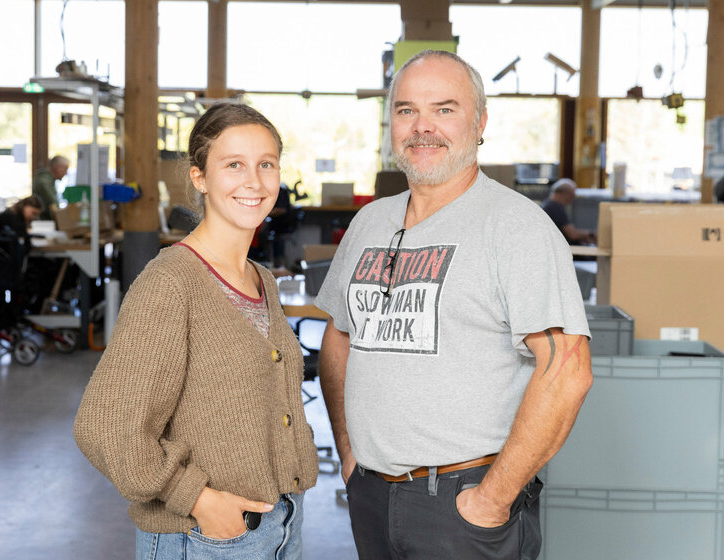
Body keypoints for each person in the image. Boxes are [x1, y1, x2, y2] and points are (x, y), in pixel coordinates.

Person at [314, 50, 593, 560]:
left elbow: (568, 368)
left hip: (463, 508)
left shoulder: (515, 226)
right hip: (373, 494)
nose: (422, 127)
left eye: (444, 109)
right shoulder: (370, 223)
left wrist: (492, 500)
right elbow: (338, 337)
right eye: (405, 111)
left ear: (480, 121)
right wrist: (350, 456)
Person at [74, 103, 319, 560]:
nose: (255, 181)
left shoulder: (260, 277)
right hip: (206, 538)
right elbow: (104, 426)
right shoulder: (170, 284)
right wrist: (198, 499)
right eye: (233, 165)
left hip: (282, 525)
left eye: (266, 164)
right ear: (199, 177)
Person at [541, 178, 597, 245]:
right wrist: (592, 234)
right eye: (571, 195)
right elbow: (572, 234)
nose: (572, 200)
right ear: (564, 193)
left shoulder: (548, 204)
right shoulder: (554, 207)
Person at [32, 155, 69, 220]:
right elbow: (52, 202)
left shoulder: (48, 180)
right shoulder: (44, 181)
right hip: (43, 222)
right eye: (65, 169)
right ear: (58, 167)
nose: (66, 173)